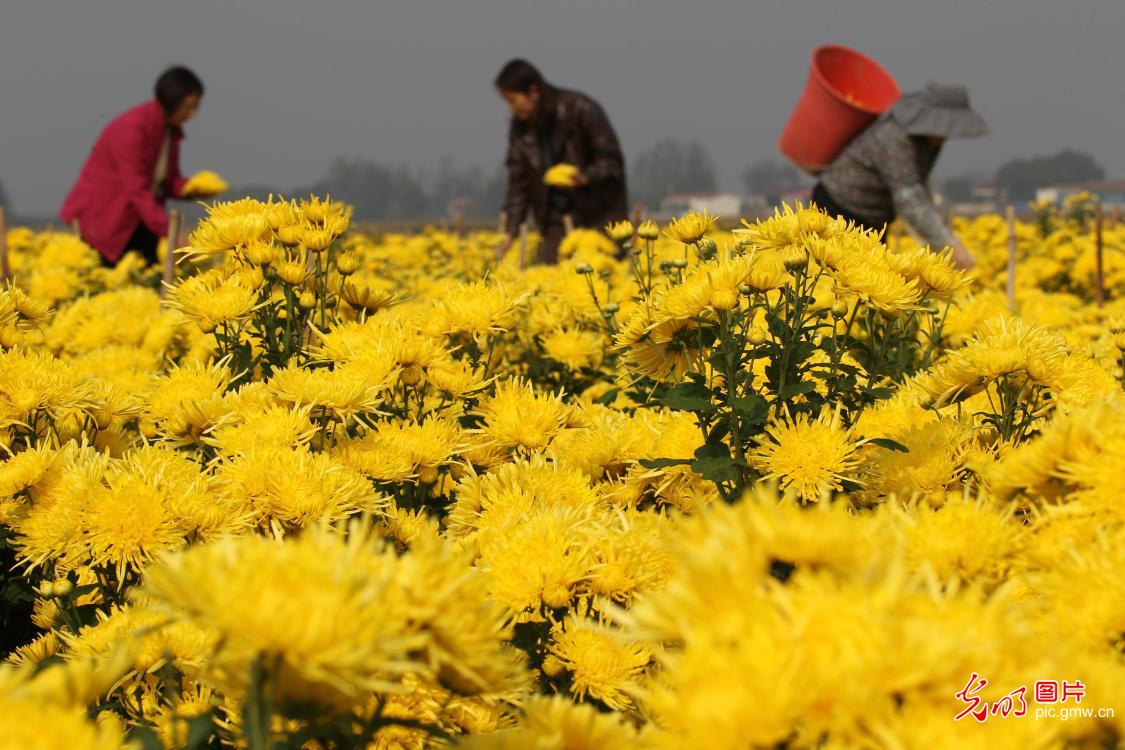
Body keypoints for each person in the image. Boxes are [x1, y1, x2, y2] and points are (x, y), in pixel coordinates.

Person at [812, 82, 987, 270]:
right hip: (840, 209)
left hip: (875, 219)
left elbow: (919, 187)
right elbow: (908, 197)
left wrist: (940, 236)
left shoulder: (929, 140)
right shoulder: (894, 135)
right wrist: (949, 246)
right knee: (843, 279)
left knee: (874, 281)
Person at [61, 66, 214, 267]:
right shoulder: (131, 129)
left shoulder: (170, 132)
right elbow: (137, 188)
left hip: (137, 220)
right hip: (106, 219)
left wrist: (193, 189)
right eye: (189, 106)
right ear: (172, 100)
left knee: (147, 276)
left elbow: (166, 182)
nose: (192, 113)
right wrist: (170, 232)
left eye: (196, 107)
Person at [494, 59, 628, 264]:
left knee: (603, 277)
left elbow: (611, 160)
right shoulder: (520, 131)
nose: (511, 109)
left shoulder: (582, 109)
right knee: (556, 278)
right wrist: (511, 232)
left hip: (599, 214)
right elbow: (518, 184)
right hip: (556, 218)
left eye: (513, 100)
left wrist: (583, 177)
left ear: (533, 91)